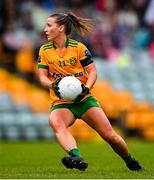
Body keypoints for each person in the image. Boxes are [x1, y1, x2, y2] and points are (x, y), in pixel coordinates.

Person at [37, 12, 144, 171]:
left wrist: (86, 87)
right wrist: (52, 85)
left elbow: (92, 72)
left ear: (60, 28)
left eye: (49, 25)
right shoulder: (44, 50)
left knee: (110, 137)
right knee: (56, 123)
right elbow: (42, 77)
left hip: (84, 99)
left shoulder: (79, 48)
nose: (45, 29)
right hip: (62, 102)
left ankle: (130, 161)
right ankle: (76, 156)